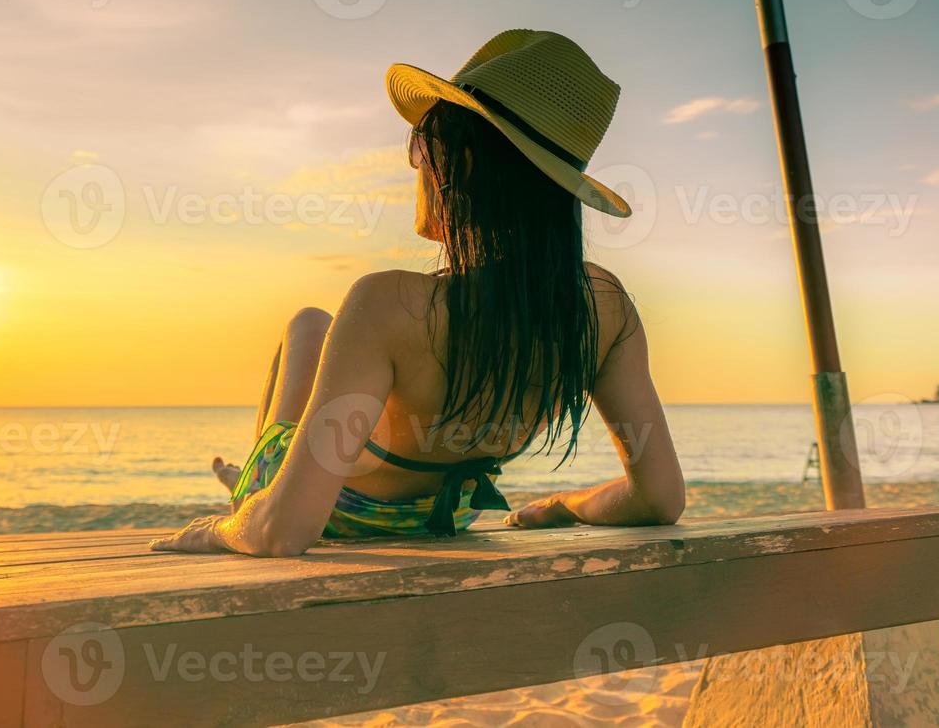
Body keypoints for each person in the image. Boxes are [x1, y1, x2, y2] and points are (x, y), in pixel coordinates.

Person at [150, 30, 685, 557]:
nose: (416, 163)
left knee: (309, 324)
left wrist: (216, 531)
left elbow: (283, 533)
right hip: (445, 513)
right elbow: (659, 499)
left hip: (338, 511)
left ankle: (254, 488)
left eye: (422, 144)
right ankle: (258, 482)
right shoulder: (602, 306)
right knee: (319, 336)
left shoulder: (389, 305)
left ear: (461, 163)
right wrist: (566, 504)